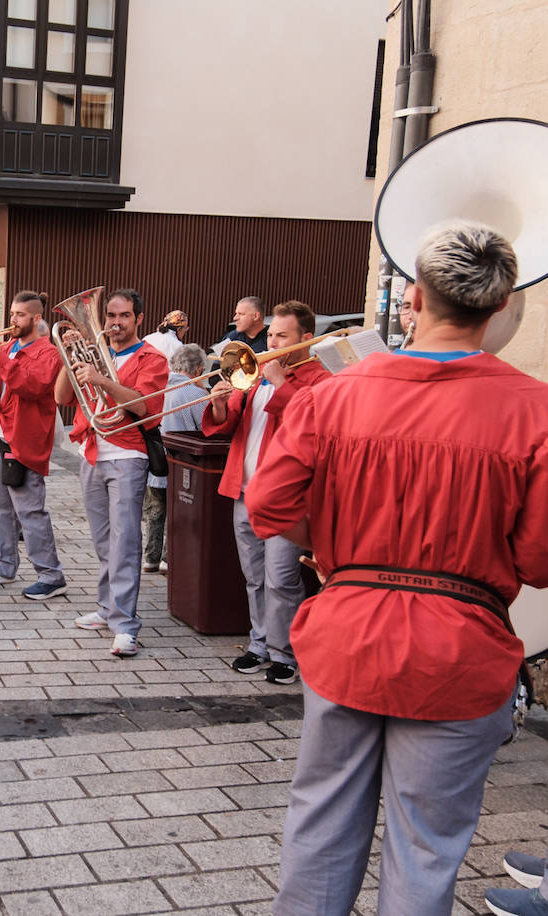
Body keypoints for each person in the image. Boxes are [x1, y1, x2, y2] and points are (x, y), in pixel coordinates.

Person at [246, 221, 548, 916]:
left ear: (414, 298)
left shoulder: (332, 393)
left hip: (347, 632)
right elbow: (537, 560)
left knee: (320, 823)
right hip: (462, 649)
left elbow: (268, 506)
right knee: (426, 848)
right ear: (499, 307)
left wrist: (340, 548)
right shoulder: (536, 411)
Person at [202, 300, 329, 686]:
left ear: (306, 340)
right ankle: (258, 644)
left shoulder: (319, 379)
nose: (271, 342)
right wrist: (220, 405)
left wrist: (280, 382)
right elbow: (229, 426)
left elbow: (313, 426)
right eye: (270, 335)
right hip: (244, 488)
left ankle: (284, 652)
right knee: (254, 576)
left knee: (281, 579)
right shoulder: (255, 375)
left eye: (281, 336)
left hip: (285, 499)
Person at [57, 288, 168, 657]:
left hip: (127, 454)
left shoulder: (151, 357)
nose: (115, 323)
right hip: (91, 451)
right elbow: (61, 397)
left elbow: (146, 404)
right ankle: (107, 610)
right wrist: (68, 355)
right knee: (104, 541)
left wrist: (101, 379)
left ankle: (125, 624)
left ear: (139, 319)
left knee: (124, 543)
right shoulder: (94, 353)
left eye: (123, 316)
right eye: (110, 316)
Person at [0, 291, 67, 601]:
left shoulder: (49, 353)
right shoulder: (5, 348)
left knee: (30, 510)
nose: (12, 320)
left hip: (24, 439)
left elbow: (31, 386)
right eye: (11, 314)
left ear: (35, 319)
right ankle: (5, 564)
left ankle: (51, 575)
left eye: (20, 315)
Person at [141, 343, 208, 573]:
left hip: (154, 461)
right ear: (199, 369)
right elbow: (206, 428)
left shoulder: (158, 387)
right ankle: (168, 560)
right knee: (177, 511)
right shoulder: (197, 394)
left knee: (154, 510)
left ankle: (150, 557)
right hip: (182, 463)